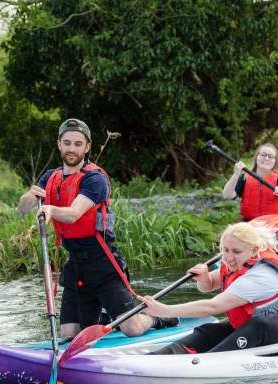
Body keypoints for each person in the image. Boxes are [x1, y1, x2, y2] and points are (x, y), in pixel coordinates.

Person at [18, 118, 178, 339]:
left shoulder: (95, 179)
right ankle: (105, 315)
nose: (71, 148)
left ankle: (155, 318)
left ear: (87, 147)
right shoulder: (51, 177)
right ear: (59, 144)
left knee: (131, 329)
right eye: (67, 143)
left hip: (103, 263)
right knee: (69, 335)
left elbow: (74, 214)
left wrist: (51, 210)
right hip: (75, 265)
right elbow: (22, 208)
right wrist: (30, 196)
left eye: (77, 144)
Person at [139, 222, 278, 354]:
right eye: (226, 250)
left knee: (259, 325)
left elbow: (213, 306)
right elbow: (208, 286)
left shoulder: (262, 275)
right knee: (210, 330)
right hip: (256, 327)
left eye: (236, 252)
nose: (230, 257)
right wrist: (204, 277)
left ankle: (204, 363)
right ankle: (157, 357)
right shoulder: (235, 263)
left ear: (254, 250)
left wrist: (164, 310)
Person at [221, 143, 278, 259]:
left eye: (270, 156)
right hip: (250, 226)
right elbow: (227, 195)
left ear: (275, 161)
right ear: (256, 157)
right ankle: (257, 250)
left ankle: (262, 250)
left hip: (274, 226)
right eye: (263, 155)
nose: (266, 158)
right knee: (235, 246)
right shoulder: (245, 178)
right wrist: (236, 174)